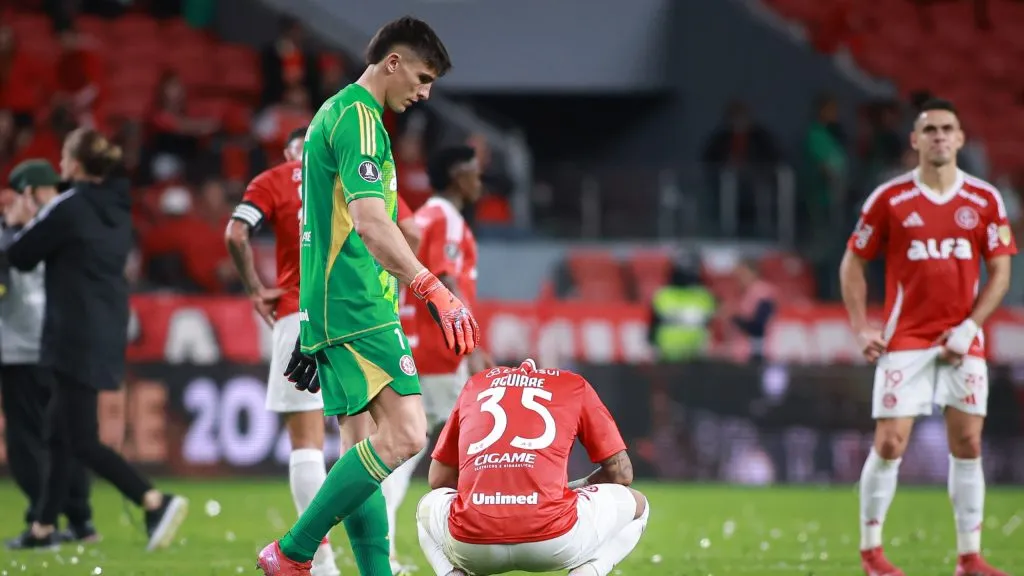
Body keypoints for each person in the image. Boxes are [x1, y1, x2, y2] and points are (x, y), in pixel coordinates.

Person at [257, 17, 479, 576]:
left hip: (332, 306)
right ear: (393, 62)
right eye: (423, 78)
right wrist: (432, 288)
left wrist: (312, 324)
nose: (425, 93)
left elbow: (321, 223)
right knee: (406, 433)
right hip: (357, 302)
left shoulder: (331, 114)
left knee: (362, 446)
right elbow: (372, 224)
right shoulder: (359, 119)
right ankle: (293, 551)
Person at [226, 127, 421, 576]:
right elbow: (408, 228)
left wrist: (255, 289)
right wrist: (385, 287)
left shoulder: (274, 179)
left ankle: (317, 562)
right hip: (356, 315)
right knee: (365, 444)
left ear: (289, 151)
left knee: (308, 445)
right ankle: (339, 559)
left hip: (297, 312)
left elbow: (236, 233)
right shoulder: (349, 170)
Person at [839, 98, 1013, 576]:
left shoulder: (984, 200)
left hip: (963, 340)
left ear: (960, 138)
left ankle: (969, 557)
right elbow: (853, 262)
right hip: (906, 340)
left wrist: (970, 327)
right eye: (930, 129)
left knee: (969, 443)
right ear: (915, 140)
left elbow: (1000, 272)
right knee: (890, 443)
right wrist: (861, 326)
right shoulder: (889, 199)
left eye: (947, 129)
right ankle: (872, 553)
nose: (939, 136)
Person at [1, 128, 187, 551]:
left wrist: (14, 224)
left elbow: (21, 256)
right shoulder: (118, 207)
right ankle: (43, 527)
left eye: (65, 157)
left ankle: (152, 499)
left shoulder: (69, 206)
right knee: (58, 432)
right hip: (104, 328)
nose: (61, 164)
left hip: (71, 333)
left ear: (76, 163)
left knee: (81, 439)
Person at [417, 359, 649, 576]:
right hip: (555, 540)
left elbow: (438, 480)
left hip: (471, 544)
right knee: (639, 506)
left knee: (426, 506)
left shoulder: (475, 385)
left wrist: (490, 494)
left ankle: (452, 573)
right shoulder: (574, 385)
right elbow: (622, 474)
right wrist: (577, 487)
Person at [384, 145, 492, 572]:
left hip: (416, 346)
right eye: (473, 171)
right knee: (465, 454)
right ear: (455, 175)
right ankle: (471, 545)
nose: (479, 180)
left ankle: (386, 546)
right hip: (441, 352)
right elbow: (446, 277)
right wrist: (472, 342)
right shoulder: (444, 218)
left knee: (406, 448)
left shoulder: (425, 216)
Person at [1, 160, 96, 549]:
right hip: (63, 348)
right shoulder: (70, 228)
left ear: (27, 194)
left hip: (22, 351)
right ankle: (81, 520)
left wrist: (9, 229)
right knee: (63, 437)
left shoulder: (16, 238)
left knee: (26, 442)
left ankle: (43, 520)